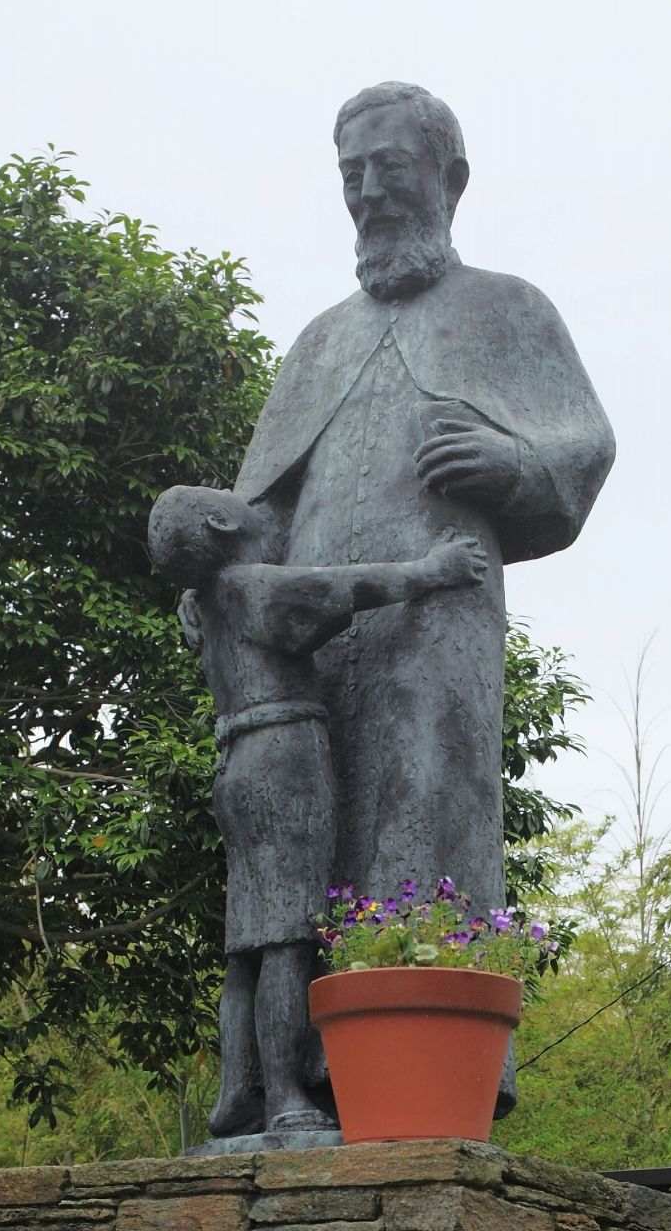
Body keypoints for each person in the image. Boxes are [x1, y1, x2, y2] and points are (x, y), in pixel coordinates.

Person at [234, 82, 616, 1115]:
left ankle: (415, 1074)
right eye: (349, 173)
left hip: (437, 627)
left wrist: (512, 462)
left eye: (388, 167)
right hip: (309, 647)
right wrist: (219, 588)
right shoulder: (316, 341)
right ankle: (287, 1082)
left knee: (425, 813)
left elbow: (583, 445)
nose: (366, 193)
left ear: (450, 178)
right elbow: (256, 507)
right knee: (301, 854)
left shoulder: (509, 308)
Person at [148, 483, 487, 1136]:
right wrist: (431, 570)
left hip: (237, 760)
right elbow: (340, 587)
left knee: (247, 942)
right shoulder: (247, 585)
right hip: (281, 755)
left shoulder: (203, 603)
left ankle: (237, 1091)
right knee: (287, 932)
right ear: (221, 521)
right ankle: (283, 1096)